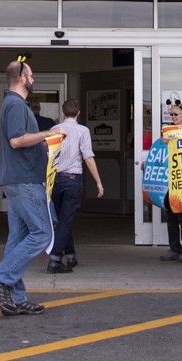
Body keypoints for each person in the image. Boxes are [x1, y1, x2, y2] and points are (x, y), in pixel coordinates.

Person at [0, 57, 67, 316]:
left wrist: (45, 146)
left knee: (17, 239)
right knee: (42, 233)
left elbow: (22, 142)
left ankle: (17, 298)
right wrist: (48, 133)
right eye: (30, 75)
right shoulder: (16, 105)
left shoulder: (15, 105)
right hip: (24, 181)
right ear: (21, 78)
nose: (33, 78)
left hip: (21, 179)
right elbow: (17, 141)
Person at [47, 98, 104, 273]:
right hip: (73, 179)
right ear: (78, 113)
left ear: (62, 113)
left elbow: (48, 156)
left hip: (55, 179)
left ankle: (70, 255)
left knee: (64, 219)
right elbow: (88, 157)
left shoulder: (53, 130)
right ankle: (55, 259)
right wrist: (98, 182)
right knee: (65, 220)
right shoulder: (83, 131)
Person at [161, 101, 182, 262]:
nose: (173, 117)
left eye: (176, 114)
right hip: (169, 181)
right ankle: (174, 249)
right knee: (171, 216)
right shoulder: (167, 133)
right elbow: (159, 154)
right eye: (171, 114)